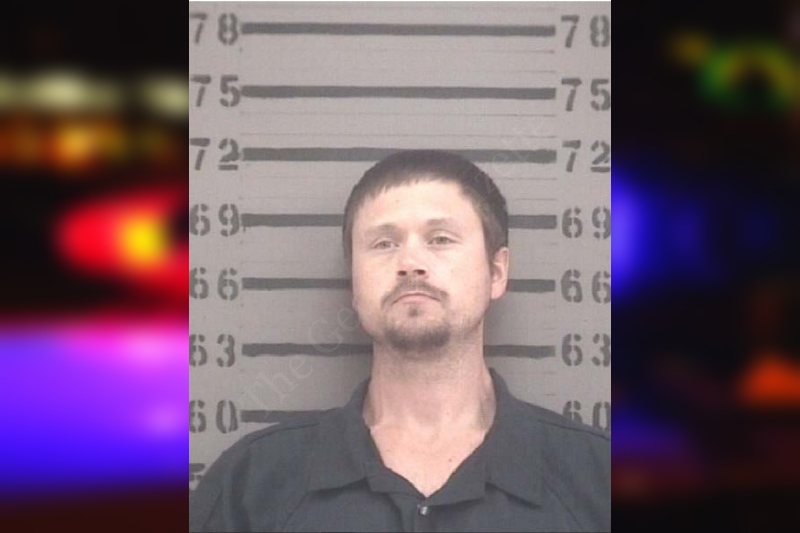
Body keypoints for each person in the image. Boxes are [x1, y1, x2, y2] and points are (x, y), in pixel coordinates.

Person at [189, 150, 610, 532]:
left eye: (440, 239)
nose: (410, 262)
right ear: (354, 283)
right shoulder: (252, 484)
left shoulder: (597, 479)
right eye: (384, 243)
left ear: (496, 273)